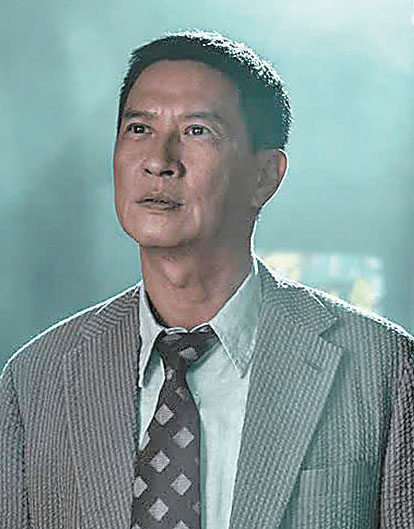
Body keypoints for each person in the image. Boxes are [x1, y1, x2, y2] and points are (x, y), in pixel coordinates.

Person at [1, 30, 413, 529]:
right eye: (138, 129)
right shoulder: (34, 381)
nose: (159, 161)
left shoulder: (383, 367)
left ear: (265, 176)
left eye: (197, 131)